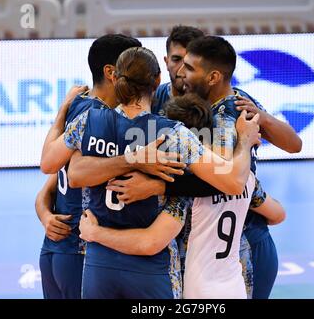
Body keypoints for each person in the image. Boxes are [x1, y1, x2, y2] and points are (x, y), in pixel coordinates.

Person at [63, 46, 260, 299]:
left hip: (99, 264)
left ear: (115, 78)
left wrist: (63, 112)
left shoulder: (89, 121)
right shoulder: (173, 133)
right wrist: (243, 140)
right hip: (151, 269)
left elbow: (60, 168)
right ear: (157, 80)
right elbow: (232, 182)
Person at [35, 34, 143, 299]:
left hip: (56, 249)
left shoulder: (79, 105)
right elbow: (50, 165)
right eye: (133, 67)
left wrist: (45, 214)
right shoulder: (96, 117)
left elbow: (50, 178)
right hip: (79, 253)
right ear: (111, 72)